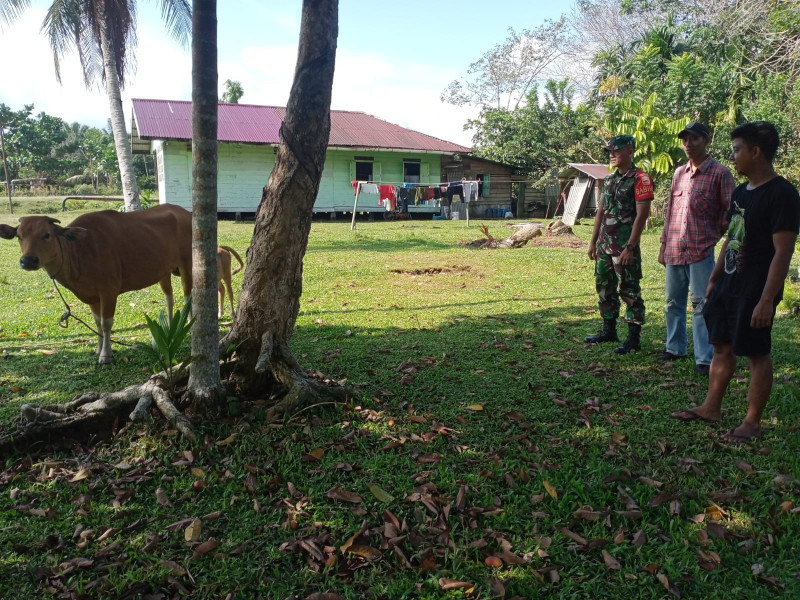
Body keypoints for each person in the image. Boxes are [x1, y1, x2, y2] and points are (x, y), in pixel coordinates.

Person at [671, 122, 800, 443]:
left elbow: (784, 252)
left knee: (757, 353)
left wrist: (767, 300)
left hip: (756, 289)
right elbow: (732, 238)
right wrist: (715, 279)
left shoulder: (782, 194)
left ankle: (752, 422)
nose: (734, 157)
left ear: (756, 152)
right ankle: (710, 407)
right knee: (721, 347)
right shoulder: (742, 192)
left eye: (737, 150)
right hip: (729, 284)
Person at [658, 122, 734, 375]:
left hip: (701, 250)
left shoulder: (720, 173)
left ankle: (704, 357)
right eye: (685, 140)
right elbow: (670, 212)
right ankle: (675, 348)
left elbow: (729, 212)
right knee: (672, 302)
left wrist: (713, 236)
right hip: (675, 249)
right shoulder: (678, 173)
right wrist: (663, 245)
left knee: (702, 303)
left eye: (694, 139)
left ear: (706, 140)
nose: (688, 144)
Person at [585, 134, 654, 353]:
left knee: (630, 291)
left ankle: (633, 338)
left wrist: (631, 247)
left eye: (616, 150)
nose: (612, 154)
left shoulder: (641, 179)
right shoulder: (610, 180)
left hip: (624, 247)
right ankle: (609, 330)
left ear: (630, 151)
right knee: (604, 288)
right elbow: (601, 213)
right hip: (605, 246)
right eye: (610, 151)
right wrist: (593, 242)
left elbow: (642, 216)